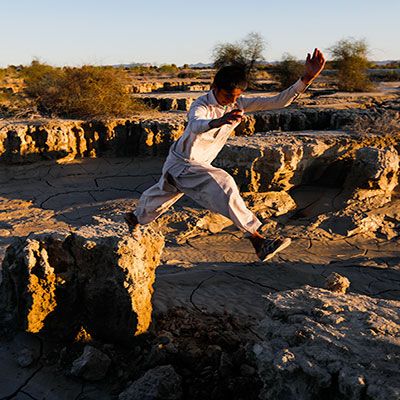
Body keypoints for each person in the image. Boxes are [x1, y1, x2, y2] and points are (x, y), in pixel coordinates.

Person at [125, 49, 326, 261]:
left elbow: (278, 101)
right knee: (224, 182)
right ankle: (258, 240)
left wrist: (307, 78)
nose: (231, 101)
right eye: (227, 95)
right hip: (183, 165)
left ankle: (134, 218)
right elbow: (194, 125)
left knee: (159, 201)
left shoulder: (238, 104)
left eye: (236, 96)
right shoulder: (201, 105)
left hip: (187, 166)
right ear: (215, 88)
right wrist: (217, 122)